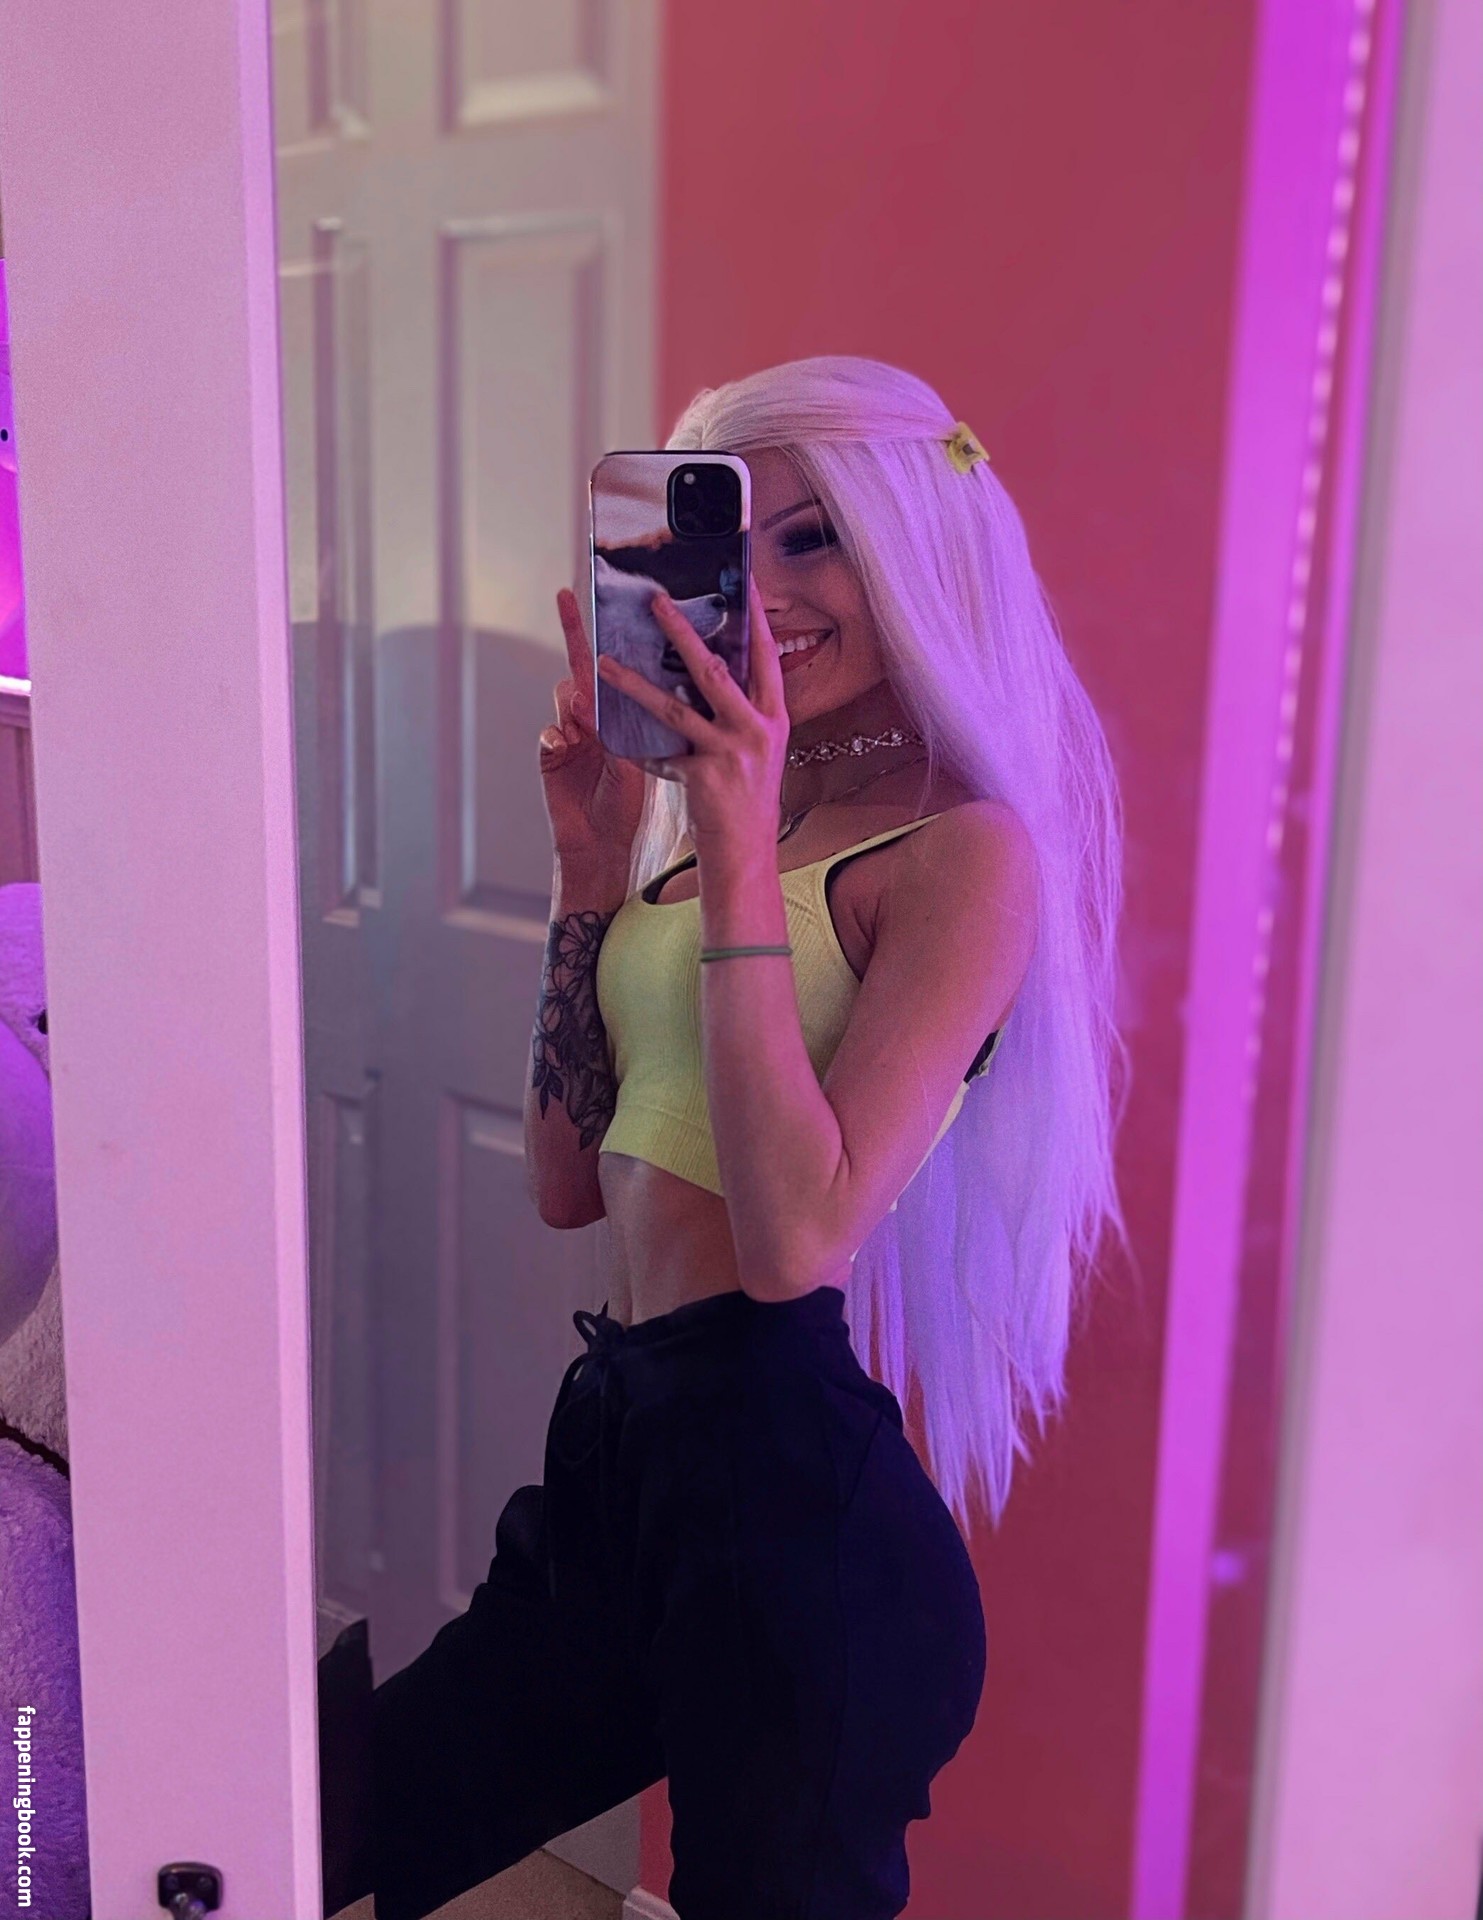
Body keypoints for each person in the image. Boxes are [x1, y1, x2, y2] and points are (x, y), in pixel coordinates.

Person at [366, 355, 1131, 1920]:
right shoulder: (733, 822)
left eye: (814, 535)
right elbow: (568, 1182)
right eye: (731, 539)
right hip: (620, 1454)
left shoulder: (961, 852)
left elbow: (794, 1240)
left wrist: (722, 842)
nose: (766, 592)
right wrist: (593, 872)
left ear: (913, 546)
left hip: (789, 1518)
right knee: (330, 1803)